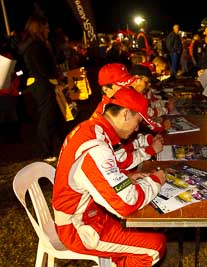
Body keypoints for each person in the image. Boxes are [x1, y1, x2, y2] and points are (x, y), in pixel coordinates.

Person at [53, 88, 167, 267]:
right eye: (137, 122)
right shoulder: (96, 147)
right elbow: (125, 203)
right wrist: (156, 181)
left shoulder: (92, 128)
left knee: (139, 230)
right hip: (78, 228)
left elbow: (102, 175)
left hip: (91, 215)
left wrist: (129, 177)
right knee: (154, 246)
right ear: (125, 114)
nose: (137, 128)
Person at [94, 63, 165, 169]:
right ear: (106, 90)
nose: (129, 89)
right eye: (123, 86)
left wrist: (147, 140)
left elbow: (124, 145)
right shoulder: (105, 121)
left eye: (129, 85)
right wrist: (150, 150)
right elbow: (121, 162)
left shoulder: (114, 112)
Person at [18, 14, 62, 163]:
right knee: (46, 117)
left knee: (51, 116)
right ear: (40, 27)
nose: (48, 29)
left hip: (41, 84)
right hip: (42, 84)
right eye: (46, 26)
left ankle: (56, 147)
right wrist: (56, 78)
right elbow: (43, 68)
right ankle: (44, 152)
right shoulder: (35, 46)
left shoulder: (33, 44)